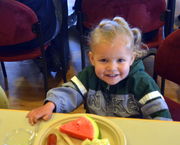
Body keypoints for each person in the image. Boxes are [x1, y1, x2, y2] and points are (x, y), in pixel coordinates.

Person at [27, 16, 172, 124]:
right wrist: (51, 104)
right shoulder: (89, 75)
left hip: (131, 137)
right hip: (97, 134)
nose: (112, 68)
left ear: (132, 59)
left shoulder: (142, 82)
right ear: (92, 59)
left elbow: (161, 116)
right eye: (103, 60)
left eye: (120, 60)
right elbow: (70, 91)